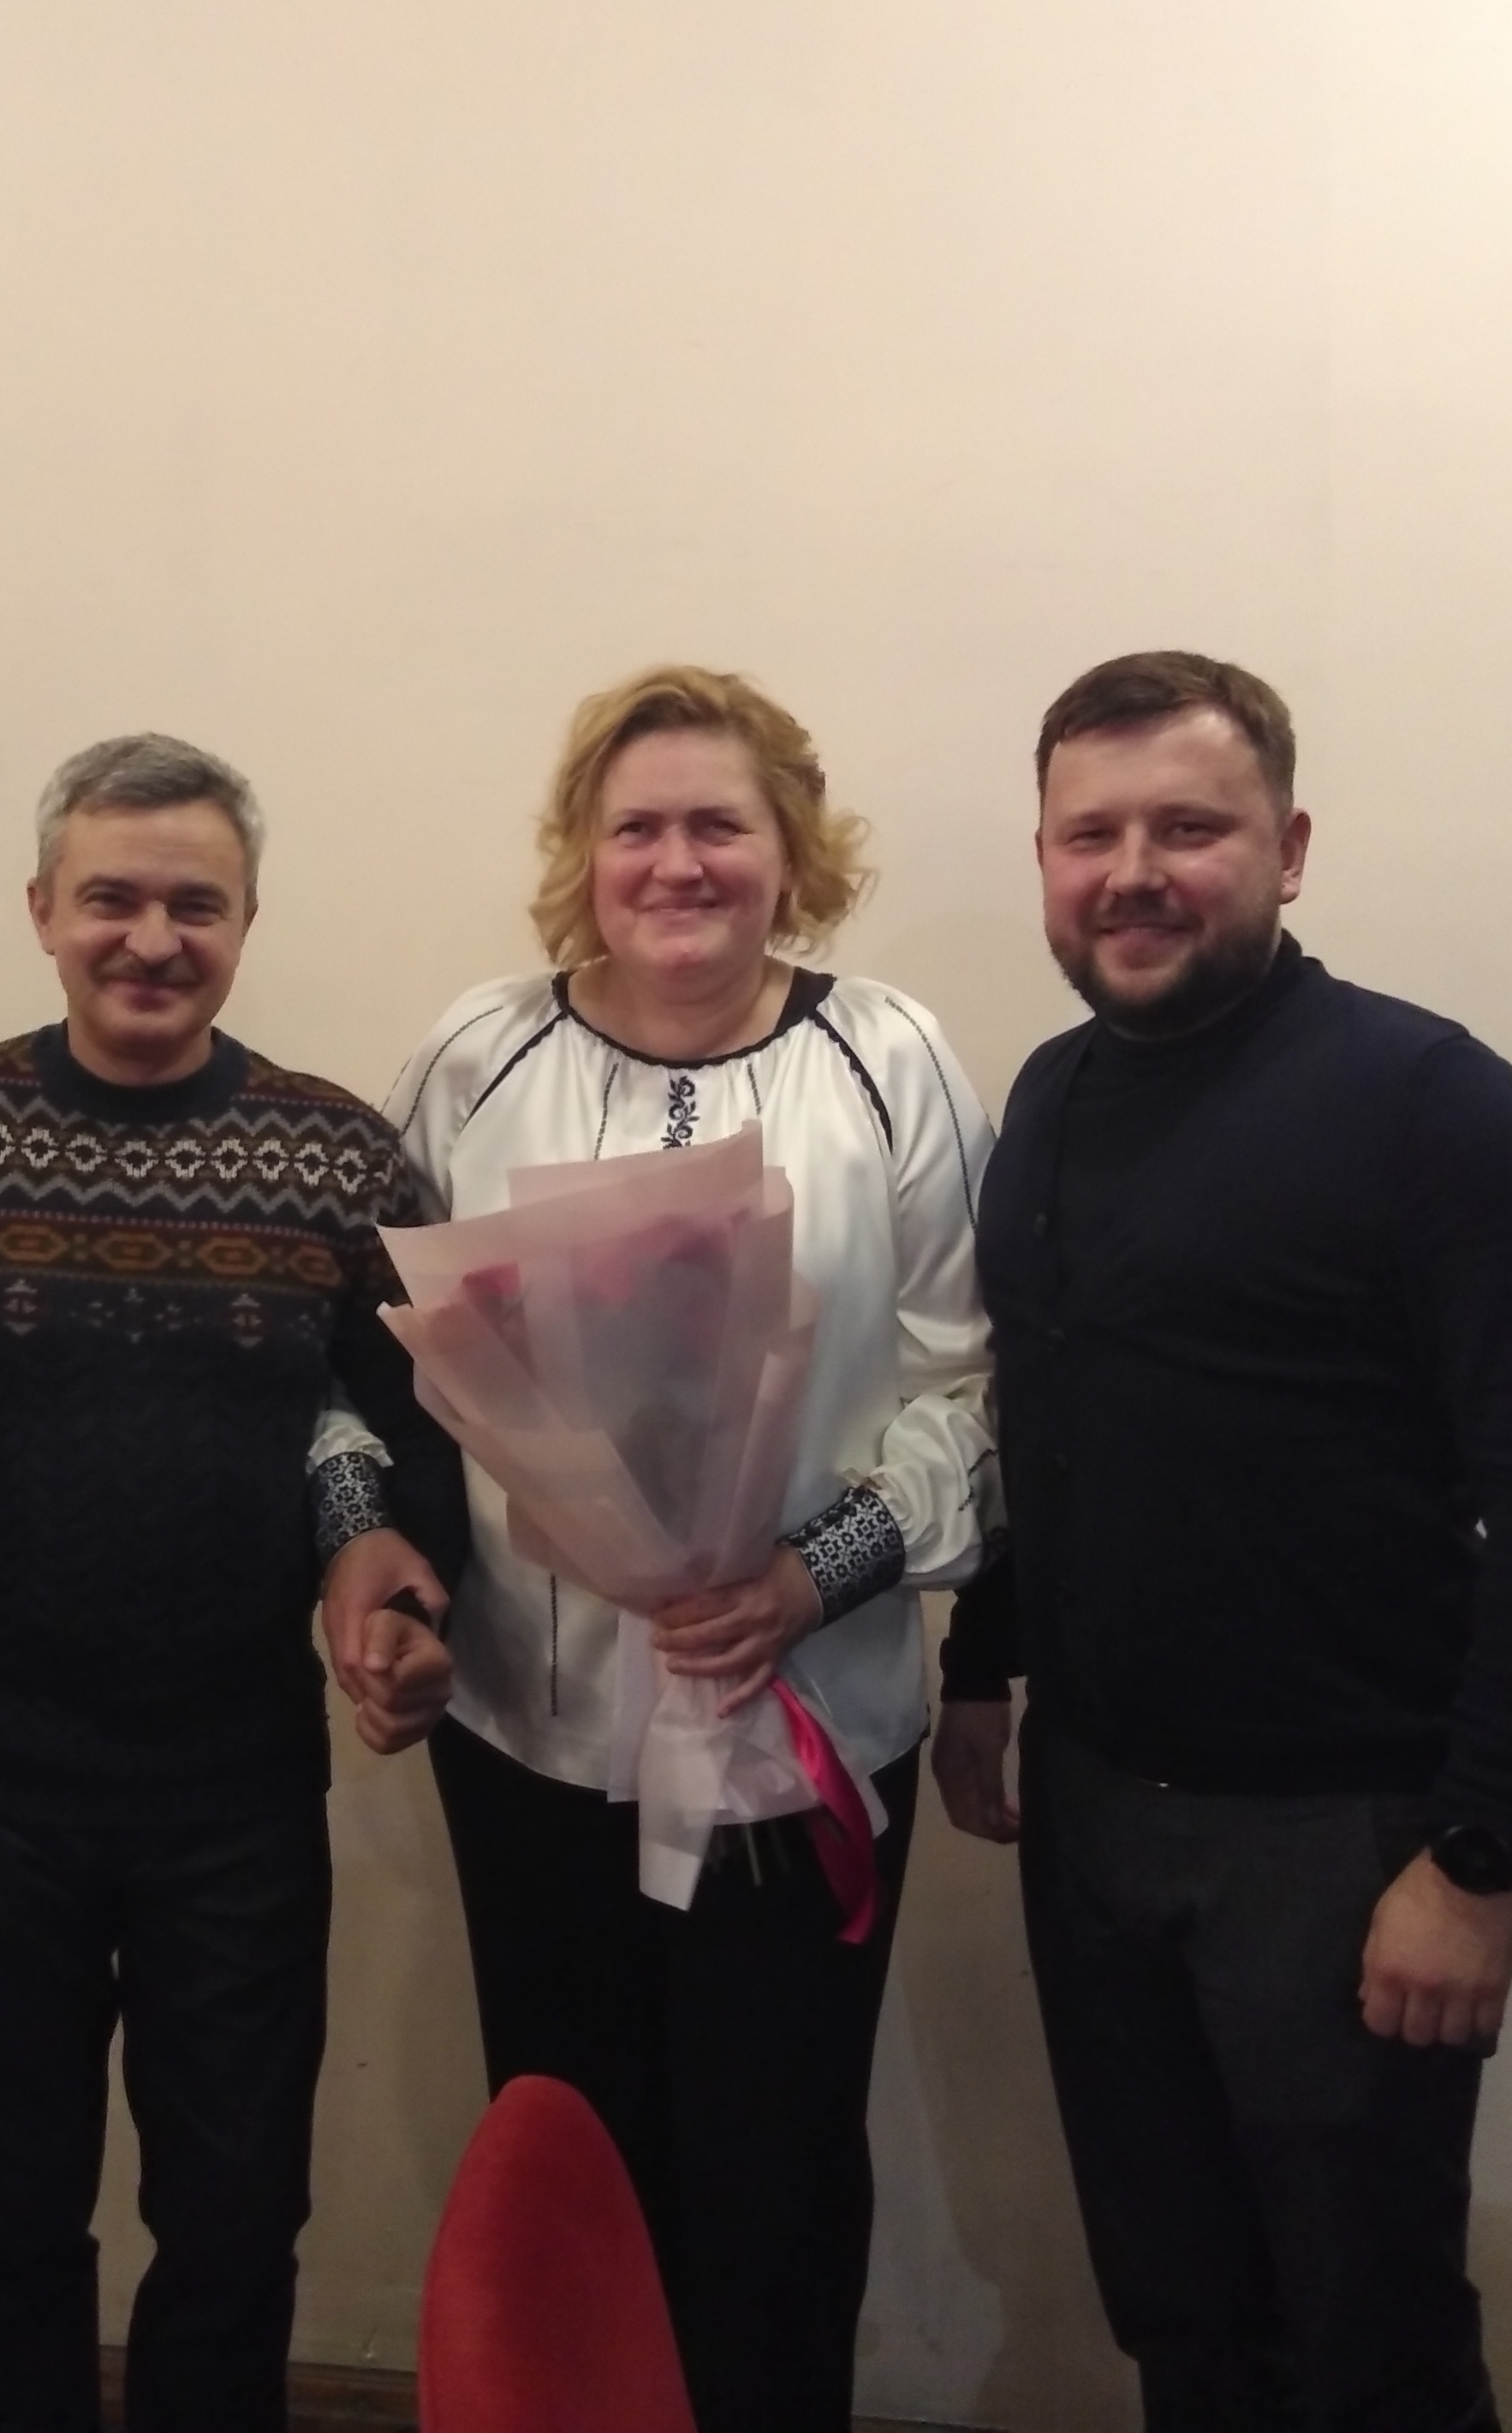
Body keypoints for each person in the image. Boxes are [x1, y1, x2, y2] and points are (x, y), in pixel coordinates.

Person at [932, 650, 1512, 2433]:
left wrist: (1480, 1852)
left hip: (1346, 1843)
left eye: (1190, 828)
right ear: (1044, 858)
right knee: (1183, 2319)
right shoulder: (1050, 1099)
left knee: (1371, 2345)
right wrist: (981, 1671)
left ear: (1291, 847)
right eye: (1092, 833)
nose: (1135, 872)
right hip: (1096, 1819)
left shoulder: (1428, 1104)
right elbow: (1049, 1411)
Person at [384, 665, 996, 2433]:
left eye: (719, 823)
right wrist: (378, 1563)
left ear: (789, 846)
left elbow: (973, 1388)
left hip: (804, 1725)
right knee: (568, 2162)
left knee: (774, 2183)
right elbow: (382, 1356)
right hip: (533, 1731)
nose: (677, 863)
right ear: (582, 850)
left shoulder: (891, 1060)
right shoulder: (475, 1057)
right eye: (635, 825)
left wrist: (816, 1571)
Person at [0, 734, 467, 2433]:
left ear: (248, 918)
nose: (150, 939)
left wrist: (409, 1601)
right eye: (110, 898)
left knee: (236, 2221)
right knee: (7, 2217)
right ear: (41, 910)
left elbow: (411, 1429)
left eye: (194, 904)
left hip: (234, 1781)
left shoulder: (340, 1156)